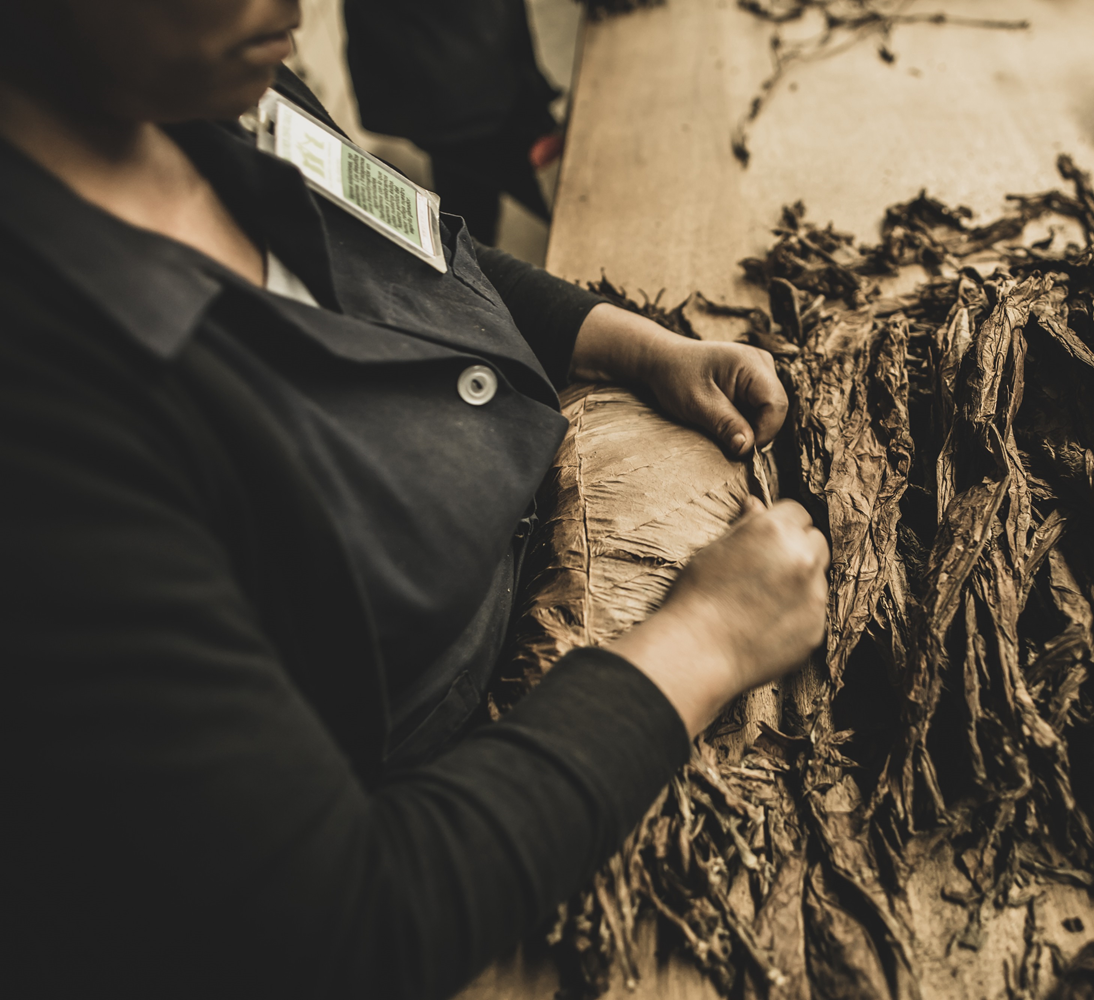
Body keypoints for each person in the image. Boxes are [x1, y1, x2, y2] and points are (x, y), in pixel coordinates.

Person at [0, 2, 829, 999]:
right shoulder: (48, 433)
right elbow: (349, 923)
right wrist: (706, 642)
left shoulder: (210, 95)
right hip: (462, 810)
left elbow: (415, 250)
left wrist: (624, 340)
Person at [343, 0, 560, 245]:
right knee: (550, 195)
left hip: (466, 86)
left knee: (468, 207)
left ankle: (465, 254)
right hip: (462, 93)